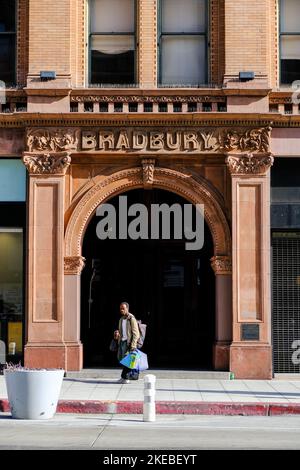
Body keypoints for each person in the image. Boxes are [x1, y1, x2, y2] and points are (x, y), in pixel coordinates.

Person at [114, 302, 140, 384]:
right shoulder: (121, 319)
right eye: (120, 308)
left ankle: (125, 378)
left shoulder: (131, 318)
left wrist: (133, 345)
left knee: (127, 360)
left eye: (123, 308)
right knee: (121, 359)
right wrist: (118, 334)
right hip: (122, 342)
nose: (121, 310)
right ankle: (124, 377)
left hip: (129, 343)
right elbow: (122, 331)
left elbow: (136, 333)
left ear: (127, 309)